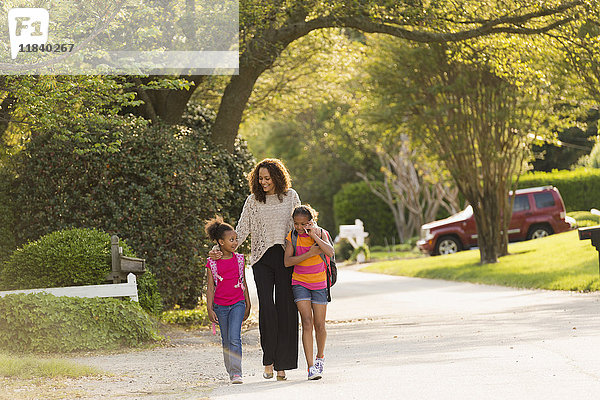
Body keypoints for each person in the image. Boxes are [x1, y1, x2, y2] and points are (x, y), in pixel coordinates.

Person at [209, 158, 300, 381]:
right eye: (260, 178)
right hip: (262, 260)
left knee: (286, 309)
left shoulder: (291, 197)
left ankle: (283, 366)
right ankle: (268, 361)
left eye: (267, 178)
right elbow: (240, 230)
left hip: (286, 259)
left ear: (278, 177)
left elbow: (300, 225)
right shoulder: (253, 201)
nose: (263, 182)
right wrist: (217, 249)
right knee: (267, 308)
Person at [283, 205, 333, 380]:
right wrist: (309, 254)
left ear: (311, 221)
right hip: (300, 282)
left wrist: (313, 236)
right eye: (296, 223)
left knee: (320, 325)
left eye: (303, 224)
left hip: (319, 283)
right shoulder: (292, 237)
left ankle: (320, 357)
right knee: (306, 322)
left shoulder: (321, 234)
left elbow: (330, 252)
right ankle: (311, 367)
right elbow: (287, 262)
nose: (299, 227)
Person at [205, 216, 251, 384]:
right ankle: (231, 371)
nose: (235, 242)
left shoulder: (239, 259)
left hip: (237, 303)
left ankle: (237, 372)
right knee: (225, 340)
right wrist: (209, 308)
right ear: (220, 242)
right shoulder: (212, 263)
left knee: (234, 338)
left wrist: (248, 303)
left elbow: (244, 282)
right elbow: (210, 288)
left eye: (236, 239)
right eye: (231, 240)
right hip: (220, 307)